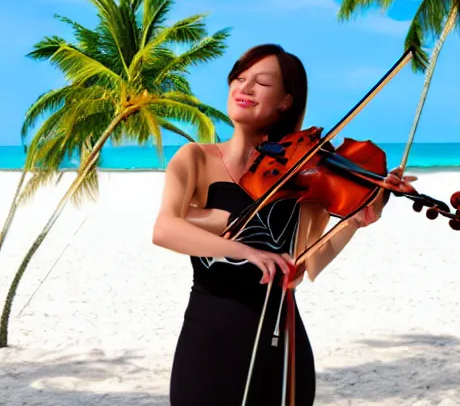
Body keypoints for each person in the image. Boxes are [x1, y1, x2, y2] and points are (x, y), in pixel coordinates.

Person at [152, 44, 416, 406]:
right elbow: (165, 229)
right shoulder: (195, 158)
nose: (244, 88)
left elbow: (311, 261)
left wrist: (354, 222)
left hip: (279, 335)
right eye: (239, 78)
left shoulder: (304, 170)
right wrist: (242, 247)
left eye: (260, 82)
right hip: (208, 338)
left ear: (285, 102)